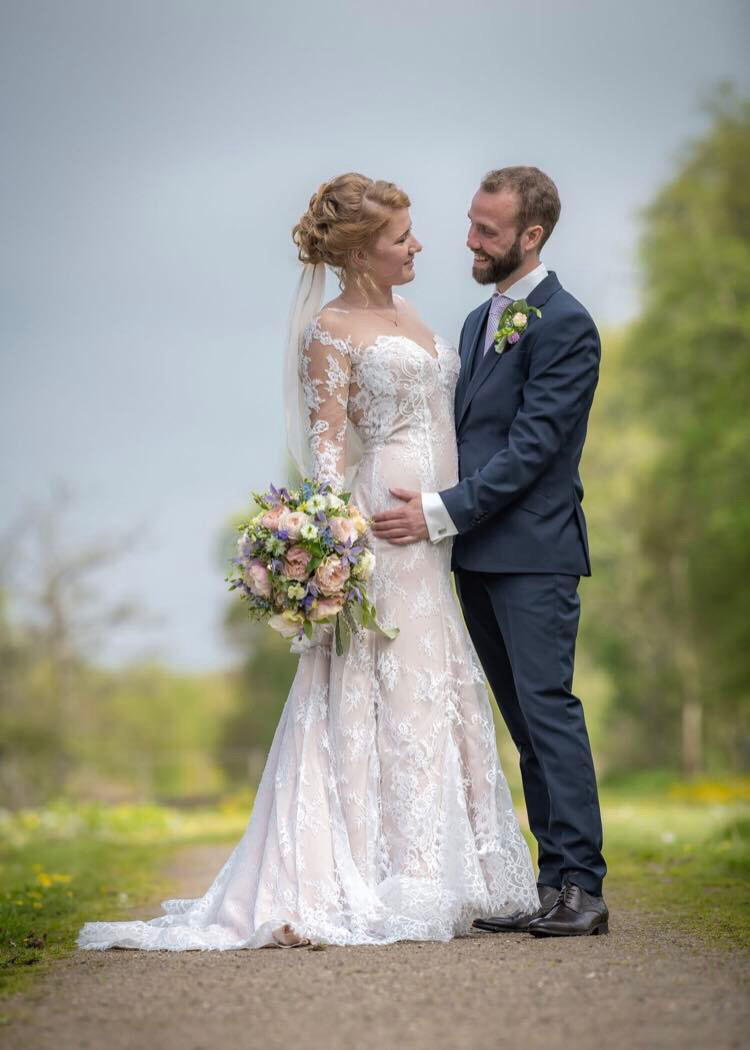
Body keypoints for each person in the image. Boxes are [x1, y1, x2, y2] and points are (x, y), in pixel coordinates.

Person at [76, 172, 539, 952]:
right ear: (360, 252)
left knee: (432, 684)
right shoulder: (329, 331)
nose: (418, 246)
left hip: (435, 533)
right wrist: (330, 545)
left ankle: (449, 869)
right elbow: (326, 456)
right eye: (401, 237)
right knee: (388, 686)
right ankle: (394, 874)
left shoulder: (415, 315)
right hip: (384, 531)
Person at [372, 166, 609, 938]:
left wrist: (437, 511)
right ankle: (551, 885)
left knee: (548, 714)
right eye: (472, 223)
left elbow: (532, 450)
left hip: (534, 555)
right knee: (522, 724)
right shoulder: (481, 321)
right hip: (474, 556)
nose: (470, 240)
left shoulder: (566, 324)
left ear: (531, 236)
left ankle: (584, 889)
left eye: (488, 230)